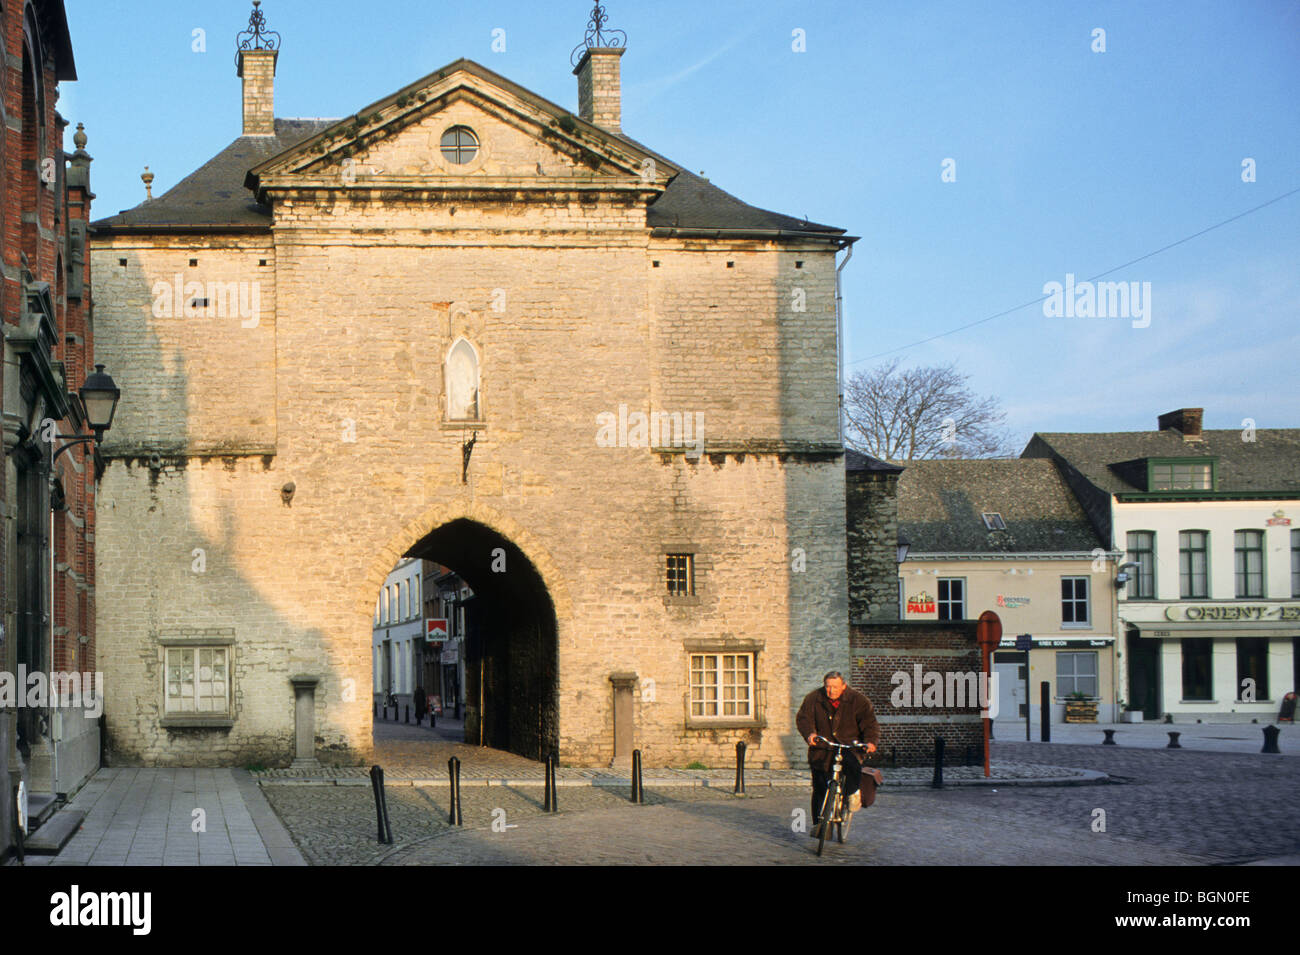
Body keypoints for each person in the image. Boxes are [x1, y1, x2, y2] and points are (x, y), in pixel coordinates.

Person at [795, 671, 879, 834]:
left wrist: (870, 741)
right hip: (823, 749)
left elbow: (870, 722)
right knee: (819, 787)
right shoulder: (814, 699)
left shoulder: (858, 700)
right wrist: (810, 734)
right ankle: (818, 826)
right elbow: (803, 718)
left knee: (853, 768)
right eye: (827, 687)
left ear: (843, 686)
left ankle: (853, 793)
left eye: (835, 687)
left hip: (849, 746)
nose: (831, 691)